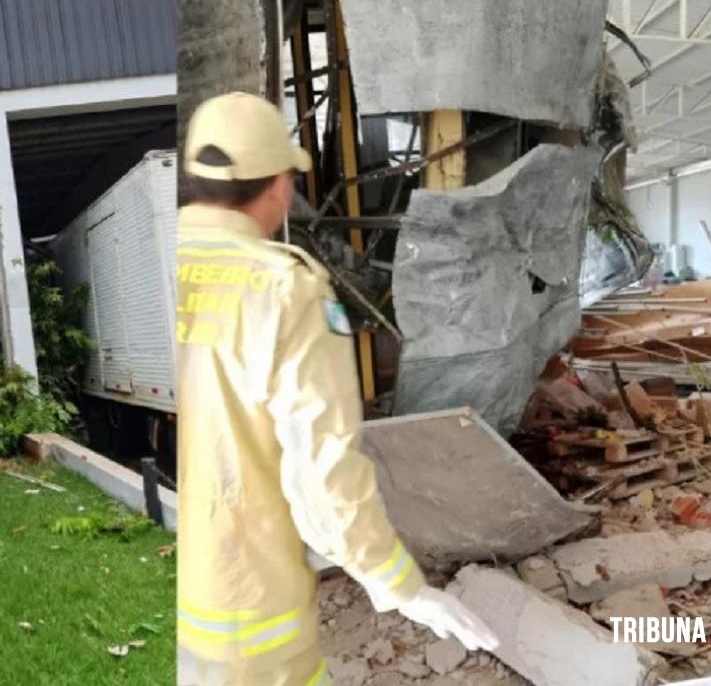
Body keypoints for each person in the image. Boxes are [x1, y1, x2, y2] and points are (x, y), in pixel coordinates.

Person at [175, 92, 499, 686]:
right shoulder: (282, 291)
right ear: (275, 184)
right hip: (249, 621)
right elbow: (322, 473)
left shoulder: (166, 258)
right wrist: (399, 585)